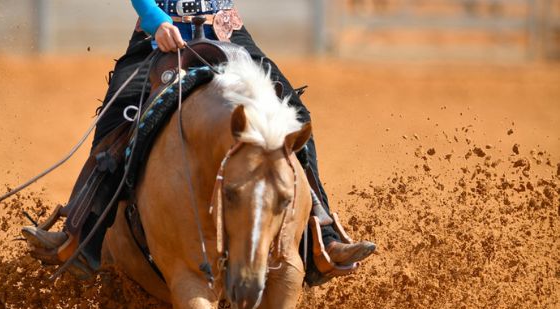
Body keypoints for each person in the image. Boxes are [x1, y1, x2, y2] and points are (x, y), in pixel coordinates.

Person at [23, 0, 375, 285]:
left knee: (293, 117)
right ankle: (83, 233)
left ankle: (321, 234)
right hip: (157, 36)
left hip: (228, 32)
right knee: (119, 116)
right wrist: (155, 18)